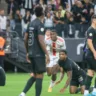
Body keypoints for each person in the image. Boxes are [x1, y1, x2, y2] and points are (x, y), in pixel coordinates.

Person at [19, 5, 50, 96]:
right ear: (43, 13)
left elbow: (25, 38)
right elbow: (41, 40)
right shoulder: (40, 24)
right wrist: (47, 54)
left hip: (31, 53)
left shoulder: (30, 23)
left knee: (35, 75)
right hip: (38, 54)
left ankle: (22, 93)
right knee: (40, 75)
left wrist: (28, 51)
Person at [84, 14, 96, 96]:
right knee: (91, 73)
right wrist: (95, 52)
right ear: (94, 20)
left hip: (89, 54)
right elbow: (89, 42)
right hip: (92, 54)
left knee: (90, 73)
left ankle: (86, 92)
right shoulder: (91, 30)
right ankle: (95, 91)